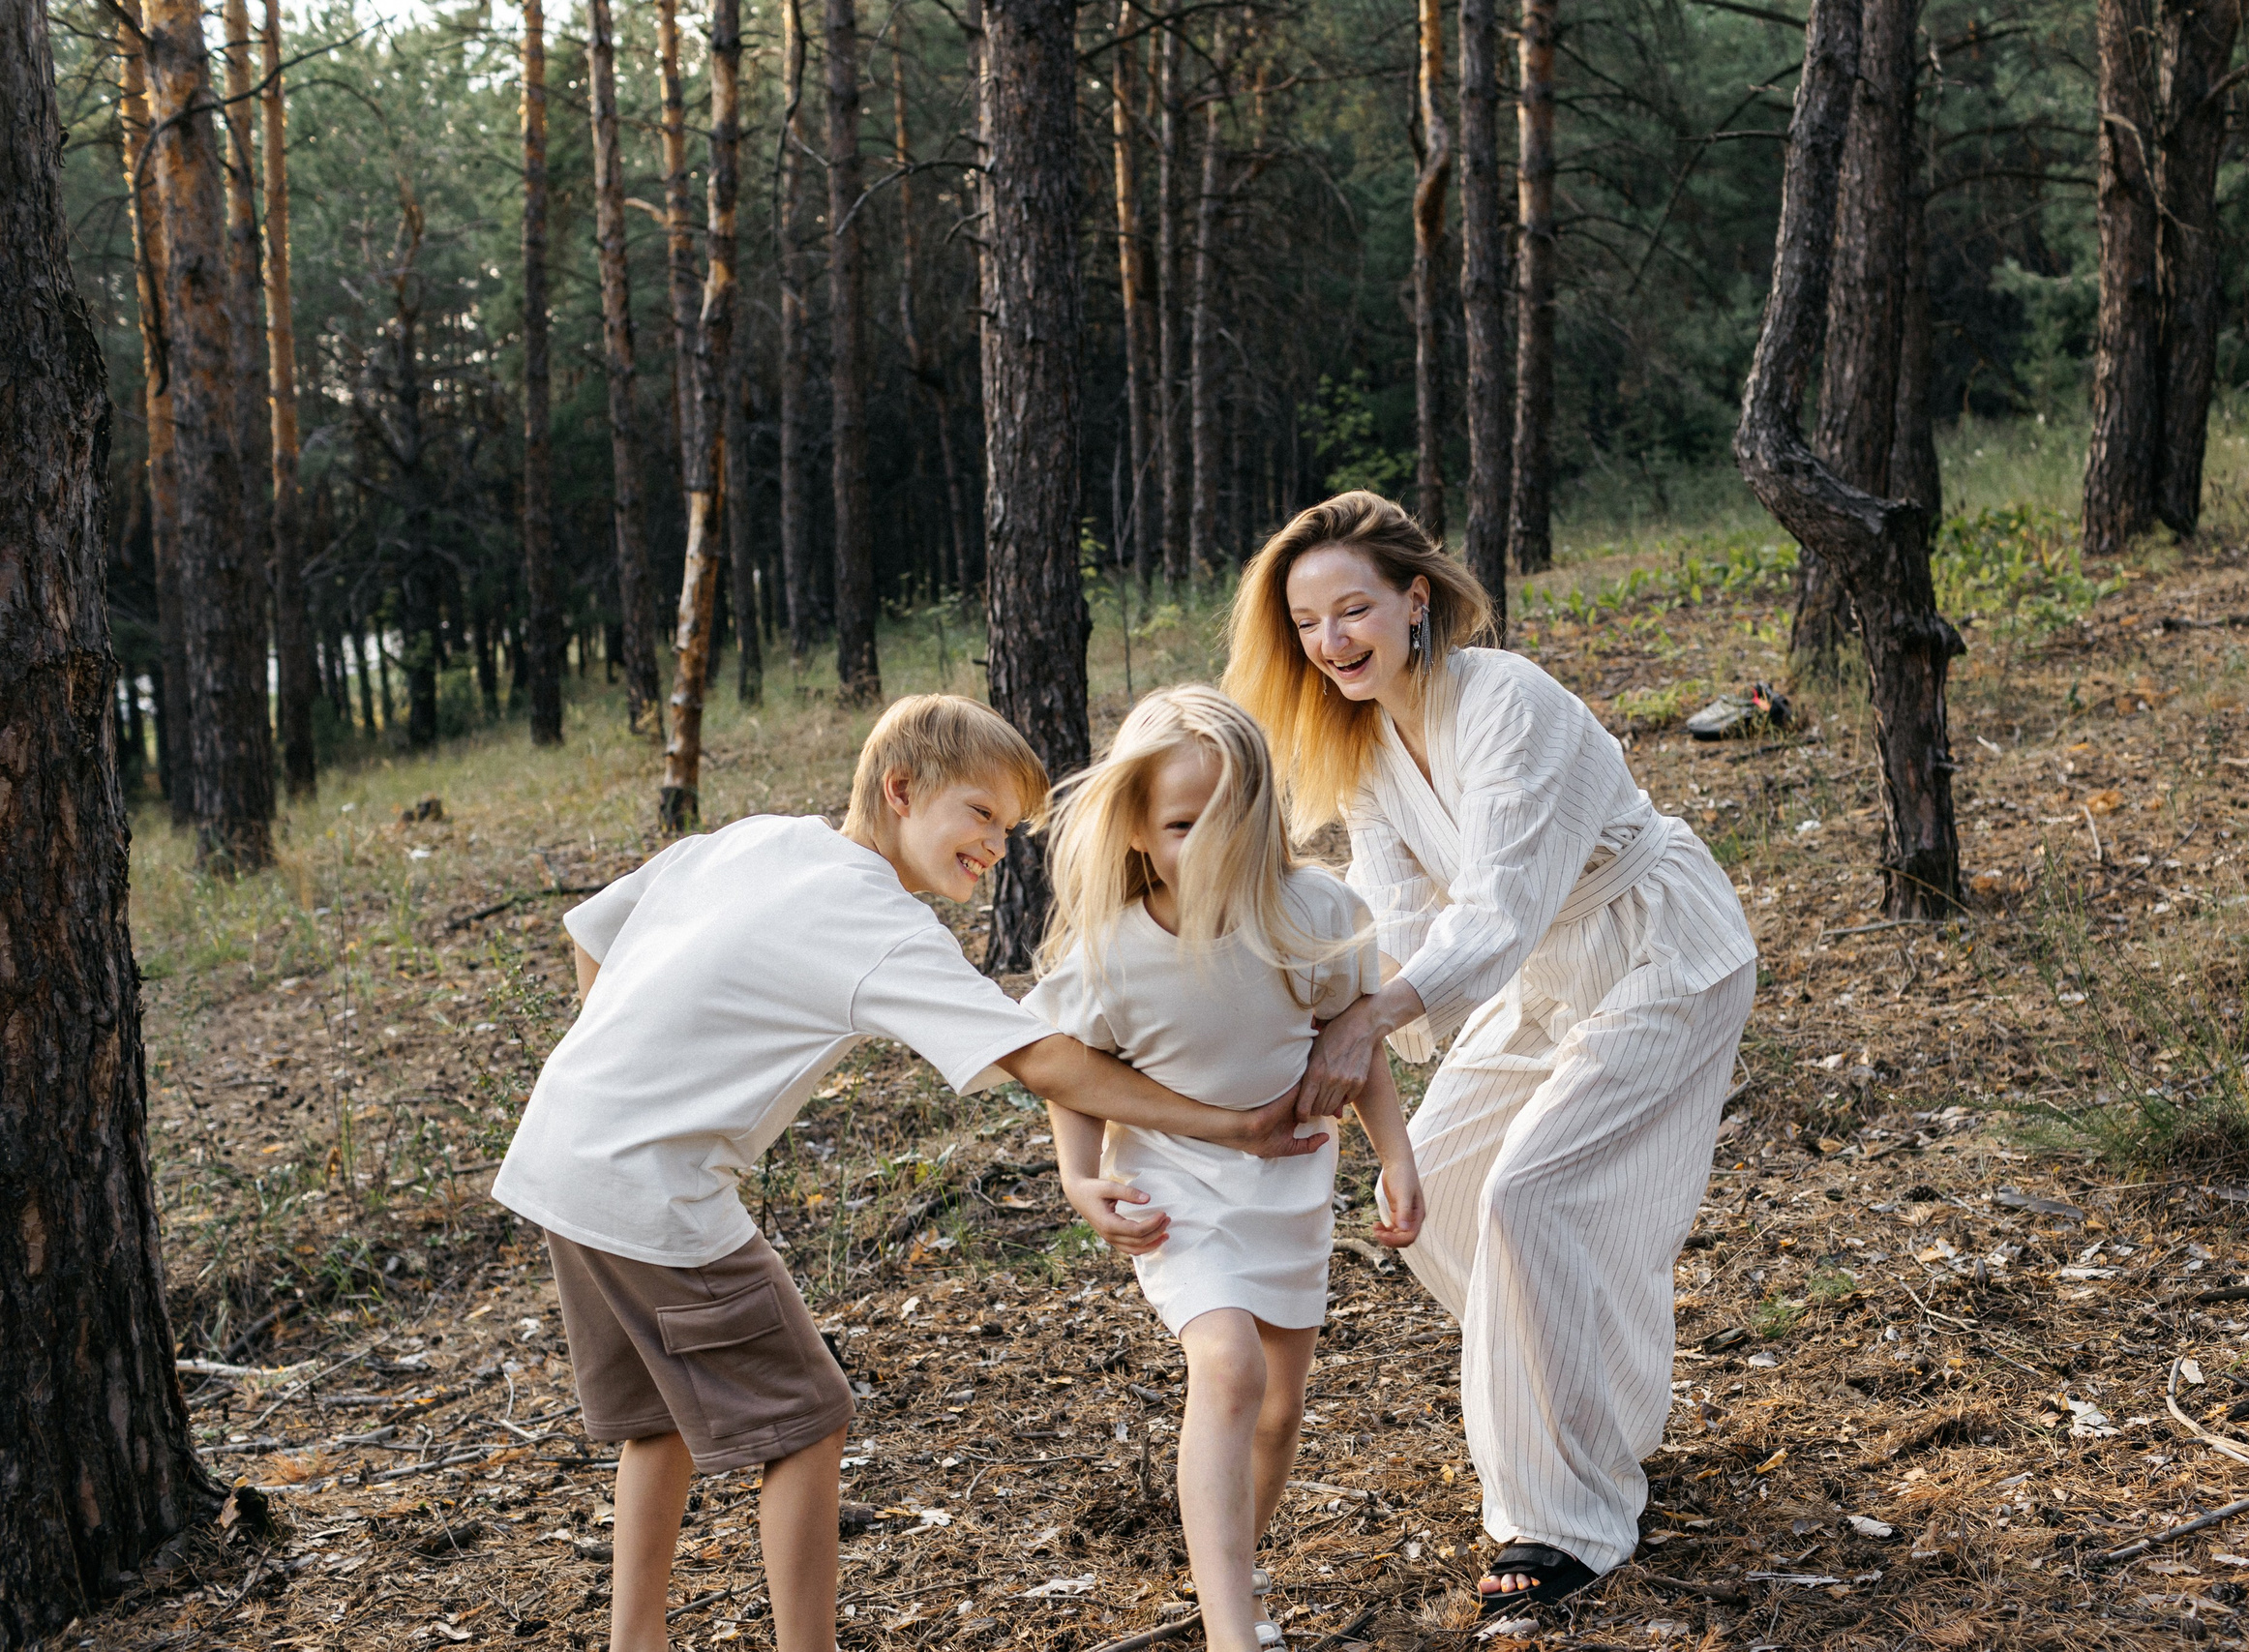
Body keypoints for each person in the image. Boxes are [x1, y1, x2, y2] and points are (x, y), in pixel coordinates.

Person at [493, 695, 1323, 1652]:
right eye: (979, 814)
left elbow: (592, 935)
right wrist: (1231, 1123)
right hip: (652, 1189)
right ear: (899, 789)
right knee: (809, 1419)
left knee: (659, 1421)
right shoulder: (873, 920)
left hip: (560, 1150)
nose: (997, 846)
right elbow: (1044, 1062)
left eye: (1010, 829)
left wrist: (624, 1070)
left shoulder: (756, 838)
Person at [1224, 494, 1758, 1619]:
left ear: (1415, 602)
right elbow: (1397, 925)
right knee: (1441, 1184)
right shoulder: (1365, 747)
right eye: (1308, 623)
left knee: (1528, 1194)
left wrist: (1374, 1020)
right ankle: (1580, 1407)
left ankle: (1564, 1520)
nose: (1332, 642)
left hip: (1657, 948)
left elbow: (1499, 906)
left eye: (1353, 609)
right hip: (1542, 974)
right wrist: (1310, 1015)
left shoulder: (1508, 699)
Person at [1027, 686, 1425, 1652]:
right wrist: (1081, 1181)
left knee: (1280, 1413)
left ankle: (1228, 1581)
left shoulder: (1312, 911)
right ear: (1130, 827)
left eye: (1225, 821)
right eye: (1176, 824)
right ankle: (1229, 1633)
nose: (1202, 845)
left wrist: (1394, 1154)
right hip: (1175, 1188)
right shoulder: (1110, 951)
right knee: (1229, 1366)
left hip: (1288, 1186)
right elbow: (1073, 1076)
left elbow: (1353, 1041)